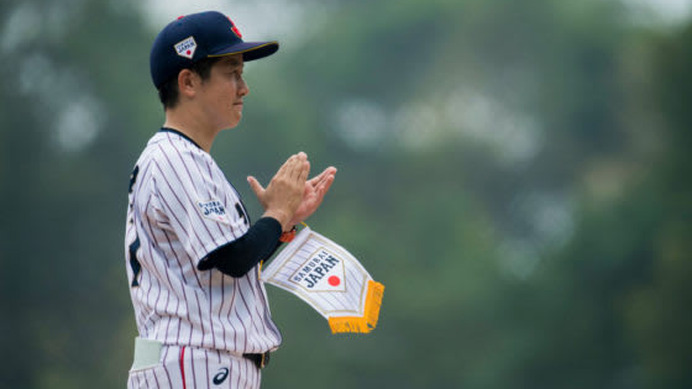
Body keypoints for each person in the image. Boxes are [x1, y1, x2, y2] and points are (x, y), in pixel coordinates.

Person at [124, 10, 336, 388]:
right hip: (194, 365)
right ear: (188, 81)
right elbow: (232, 259)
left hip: (196, 364)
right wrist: (276, 212)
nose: (243, 87)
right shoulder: (175, 158)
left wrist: (282, 221)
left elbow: (222, 266)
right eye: (231, 72)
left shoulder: (184, 158)